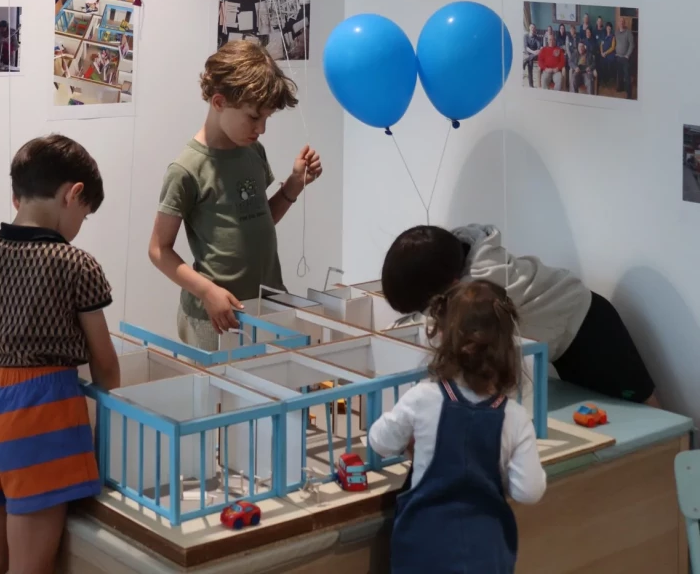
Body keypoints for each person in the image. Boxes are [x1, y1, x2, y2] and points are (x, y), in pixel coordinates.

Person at [0, 135, 120, 574]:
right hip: (44, 415)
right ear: (73, 194)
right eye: (84, 213)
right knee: (30, 567)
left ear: (15, 194)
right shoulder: (75, 264)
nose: (81, 224)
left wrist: (7, 356)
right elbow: (104, 364)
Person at [148, 41, 323, 350]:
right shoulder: (186, 168)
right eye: (254, 117)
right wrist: (207, 291)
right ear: (219, 102)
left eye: (267, 118)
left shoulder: (252, 151)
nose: (262, 129)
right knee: (215, 398)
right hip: (214, 315)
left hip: (265, 304)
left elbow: (256, 218)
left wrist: (294, 184)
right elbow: (158, 250)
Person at [369, 280, 545, 574]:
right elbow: (529, 491)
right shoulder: (514, 417)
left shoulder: (424, 397)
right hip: (486, 555)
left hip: (422, 552)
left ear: (443, 338)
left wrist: (411, 445)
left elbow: (379, 440)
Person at [381, 224, 658, 405]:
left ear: (450, 285)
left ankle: (676, 465)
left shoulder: (483, 294)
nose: (428, 314)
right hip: (562, 339)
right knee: (606, 411)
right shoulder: (453, 261)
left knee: (644, 407)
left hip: (589, 327)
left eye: (425, 306)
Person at [570, 29, 597, 96]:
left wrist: (590, 67)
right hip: (578, 72)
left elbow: (594, 63)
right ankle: (574, 98)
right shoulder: (575, 53)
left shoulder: (589, 54)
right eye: (579, 47)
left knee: (590, 81)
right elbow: (570, 61)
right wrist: (575, 67)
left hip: (586, 73)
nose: (581, 48)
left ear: (585, 47)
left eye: (582, 47)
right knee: (573, 79)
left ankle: (590, 100)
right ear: (577, 47)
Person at [615, 17, 635, 98]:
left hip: (625, 58)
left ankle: (629, 94)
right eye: (620, 21)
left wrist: (627, 55)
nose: (621, 23)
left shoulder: (628, 32)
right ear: (618, 23)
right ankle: (620, 88)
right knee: (619, 75)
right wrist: (616, 52)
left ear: (624, 23)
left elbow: (632, 44)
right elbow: (616, 42)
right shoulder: (616, 32)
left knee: (627, 76)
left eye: (623, 21)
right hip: (618, 56)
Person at [600, 20, 616, 86]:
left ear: (611, 28)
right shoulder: (604, 36)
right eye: (607, 27)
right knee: (602, 65)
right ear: (606, 28)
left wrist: (605, 53)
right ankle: (603, 81)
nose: (608, 28)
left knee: (608, 66)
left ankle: (608, 81)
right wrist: (601, 52)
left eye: (610, 27)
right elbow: (601, 45)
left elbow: (613, 47)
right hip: (603, 55)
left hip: (610, 55)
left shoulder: (613, 37)